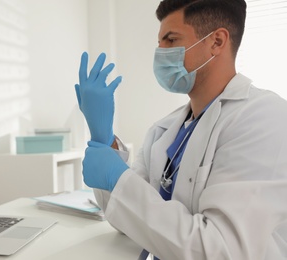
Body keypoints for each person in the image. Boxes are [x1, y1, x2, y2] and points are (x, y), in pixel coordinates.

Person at [74, 0, 287, 259]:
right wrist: (103, 138)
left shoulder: (263, 117)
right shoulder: (164, 130)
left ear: (217, 42)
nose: (160, 52)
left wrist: (117, 178)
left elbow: (219, 250)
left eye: (171, 40)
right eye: (159, 43)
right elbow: (125, 219)